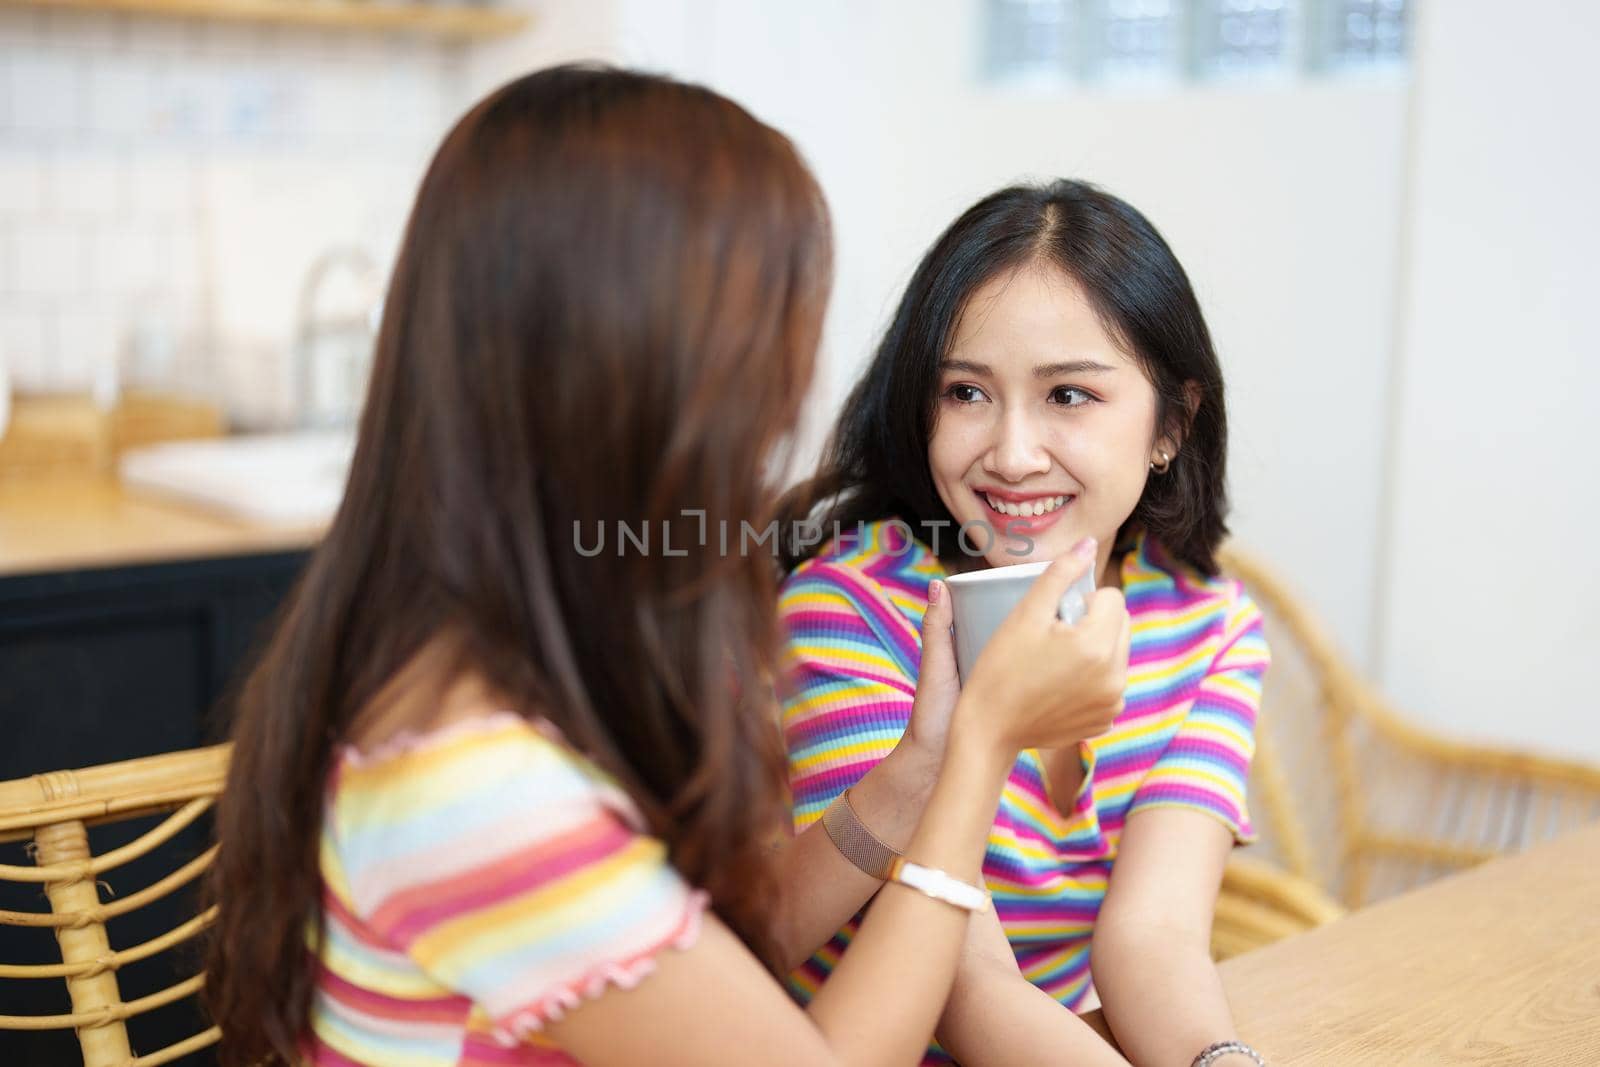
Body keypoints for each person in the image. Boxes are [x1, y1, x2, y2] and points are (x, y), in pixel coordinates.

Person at [203, 69, 1131, 1067]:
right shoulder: (482, 794)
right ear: (638, 375)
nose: (782, 413)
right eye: (770, 350)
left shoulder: (469, 673)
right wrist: (983, 749)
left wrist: (923, 766)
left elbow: (714, 961)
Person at [776, 180, 1270, 1067]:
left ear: (1172, 423)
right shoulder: (854, 607)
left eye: (1068, 396)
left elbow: (1154, 936)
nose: (1009, 453)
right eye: (966, 392)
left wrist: (1221, 1061)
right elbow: (967, 989)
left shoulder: (1209, 625)